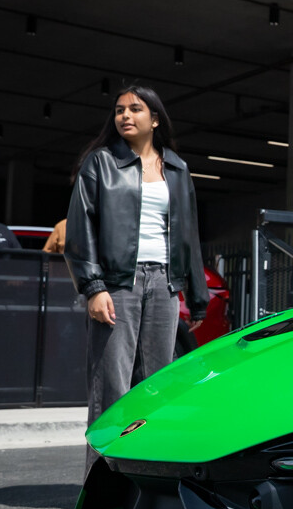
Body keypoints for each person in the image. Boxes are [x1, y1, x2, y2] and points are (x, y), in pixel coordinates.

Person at [65, 85, 209, 426]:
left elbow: (189, 233)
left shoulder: (176, 168)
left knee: (156, 384)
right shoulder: (101, 162)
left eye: (135, 109)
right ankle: (102, 476)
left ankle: (146, 475)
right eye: (119, 110)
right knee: (112, 386)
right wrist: (94, 288)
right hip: (116, 285)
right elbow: (79, 227)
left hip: (164, 286)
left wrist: (198, 297)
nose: (125, 116)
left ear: (155, 119)